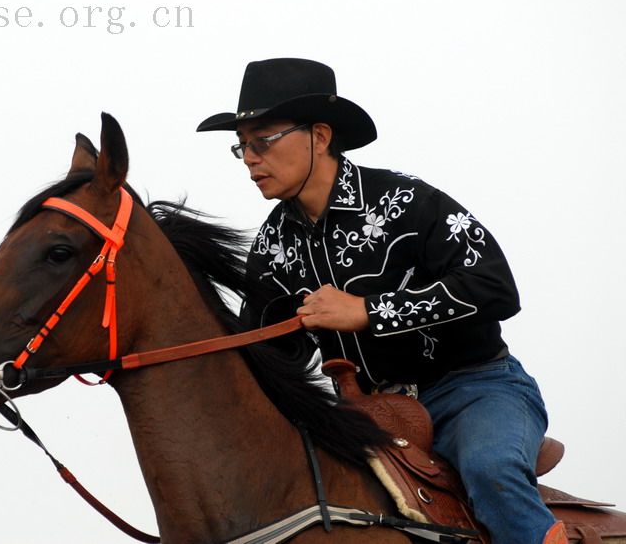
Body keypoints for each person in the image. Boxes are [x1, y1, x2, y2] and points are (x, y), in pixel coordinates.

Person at [196, 58, 567, 544]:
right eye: (241, 145)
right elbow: (270, 361)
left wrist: (369, 311)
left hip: (476, 389)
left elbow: (495, 285)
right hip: (364, 415)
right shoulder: (271, 247)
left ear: (320, 135)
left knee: (490, 468)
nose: (249, 157)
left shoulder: (407, 202)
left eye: (262, 140)